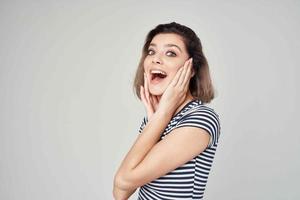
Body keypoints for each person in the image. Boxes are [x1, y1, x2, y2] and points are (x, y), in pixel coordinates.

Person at [113, 22, 221, 200]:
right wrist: (156, 119)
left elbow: (123, 180)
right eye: (151, 51)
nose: (155, 59)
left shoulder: (201, 118)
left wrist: (161, 116)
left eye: (171, 53)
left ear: (191, 69)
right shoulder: (157, 119)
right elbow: (119, 193)